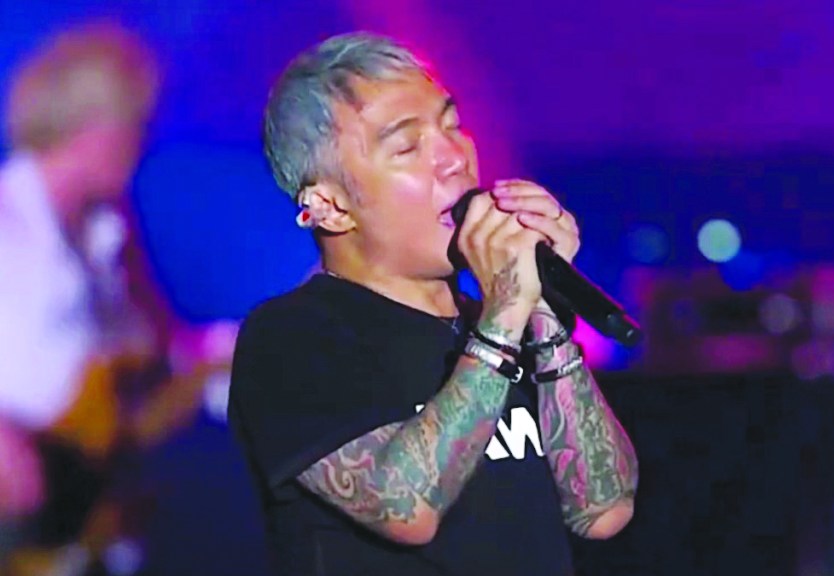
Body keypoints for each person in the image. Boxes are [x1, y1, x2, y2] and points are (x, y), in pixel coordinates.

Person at [228, 32, 639, 575]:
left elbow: (603, 509)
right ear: (330, 206)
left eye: (451, 125)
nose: (453, 158)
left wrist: (539, 308)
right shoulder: (292, 336)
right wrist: (504, 318)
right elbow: (406, 508)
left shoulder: (504, 321)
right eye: (407, 147)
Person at [0, 21, 212, 574]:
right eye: (136, 126)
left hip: (90, 530)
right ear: (95, 127)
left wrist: (244, 346)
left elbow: (157, 358)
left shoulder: (111, 237)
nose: (145, 144)